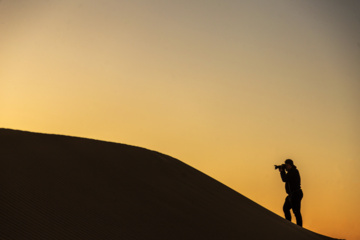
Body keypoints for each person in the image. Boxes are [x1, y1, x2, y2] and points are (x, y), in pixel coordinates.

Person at [279, 159, 303, 227]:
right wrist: (282, 171)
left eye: (286, 165)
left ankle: (299, 229)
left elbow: (284, 179)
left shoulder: (294, 171)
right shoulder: (290, 172)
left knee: (296, 212)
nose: (285, 167)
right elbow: (286, 178)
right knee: (286, 208)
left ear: (289, 165)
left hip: (296, 194)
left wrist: (282, 171)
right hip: (291, 195)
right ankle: (289, 225)